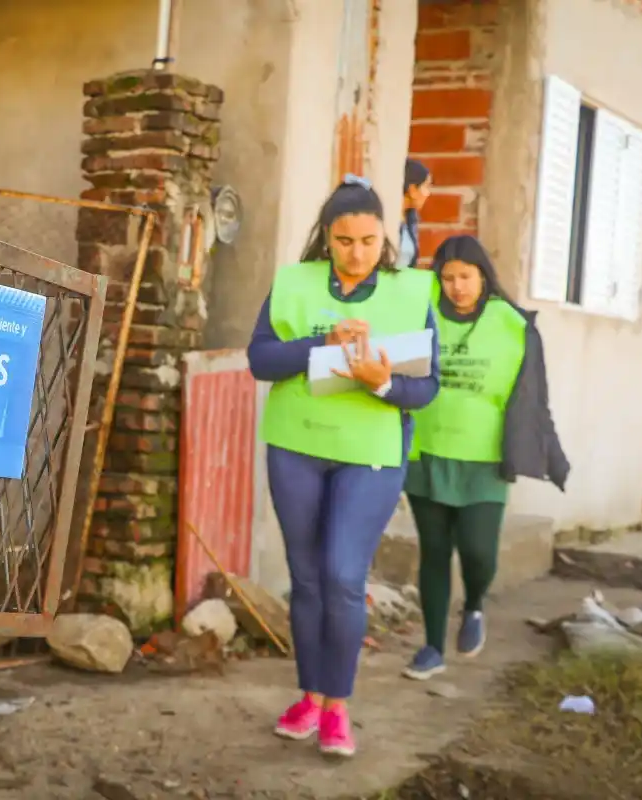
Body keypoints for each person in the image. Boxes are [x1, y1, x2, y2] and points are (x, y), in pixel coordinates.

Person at [246, 175, 441, 757]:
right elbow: (260, 359)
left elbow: (426, 388)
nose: (357, 253)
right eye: (344, 240)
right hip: (296, 445)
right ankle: (309, 697)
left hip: (371, 455)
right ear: (325, 239)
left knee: (341, 576)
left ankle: (338, 708)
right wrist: (320, 343)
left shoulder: (410, 294)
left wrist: (383, 383)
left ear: (386, 237)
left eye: (368, 240)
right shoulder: (293, 285)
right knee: (305, 579)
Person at [401, 235, 569, 681]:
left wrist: (546, 451)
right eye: (447, 277)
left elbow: (535, 397)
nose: (456, 286)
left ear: (483, 277)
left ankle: (474, 605)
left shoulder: (512, 324)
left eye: (465, 277)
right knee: (434, 551)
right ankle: (432, 646)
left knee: (477, 549)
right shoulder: (420, 315)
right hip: (425, 451)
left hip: (485, 458)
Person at [397, 159, 432, 269]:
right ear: (412, 190)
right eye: (426, 186)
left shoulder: (410, 219)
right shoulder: (389, 219)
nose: (428, 193)